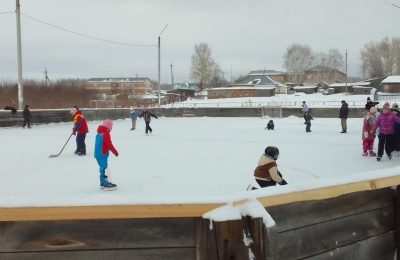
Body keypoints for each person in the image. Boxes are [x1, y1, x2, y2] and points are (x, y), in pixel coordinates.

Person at [94, 119, 118, 189]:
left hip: (98, 154)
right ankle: (105, 182)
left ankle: (102, 182)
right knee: (104, 168)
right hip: (102, 154)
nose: (111, 128)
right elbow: (109, 144)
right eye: (111, 126)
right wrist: (115, 152)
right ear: (108, 126)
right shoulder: (106, 134)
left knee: (102, 167)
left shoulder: (99, 133)